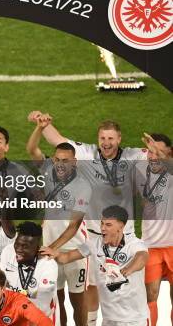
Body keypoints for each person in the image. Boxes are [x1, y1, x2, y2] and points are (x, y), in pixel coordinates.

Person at [31, 113, 147, 325]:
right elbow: (58, 140)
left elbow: (163, 159)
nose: (106, 143)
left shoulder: (132, 156)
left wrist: (158, 150)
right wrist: (44, 124)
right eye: (103, 138)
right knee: (93, 287)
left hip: (125, 236)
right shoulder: (86, 153)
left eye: (111, 138)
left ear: (119, 139)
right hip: (96, 237)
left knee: (127, 287)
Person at [27, 118, 92, 326]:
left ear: (74, 162)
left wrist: (52, 249)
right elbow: (32, 149)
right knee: (57, 299)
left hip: (74, 252)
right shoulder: (48, 170)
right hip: (50, 249)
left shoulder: (83, 187)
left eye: (66, 161)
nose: (60, 164)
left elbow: (73, 227)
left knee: (78, 301)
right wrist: (39, 127)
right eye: (57, 160)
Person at [41, 205, 150, 326]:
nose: (102, 228)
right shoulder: (94, 244)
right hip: (108, 320)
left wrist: (126, 270)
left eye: (108, 225)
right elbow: (66, 257)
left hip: (136, 319)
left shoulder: (134, 243)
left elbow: (142, 258)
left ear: (121, 226)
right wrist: (55, 253)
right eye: (102, 224)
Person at [134, 133, 172, 326]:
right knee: (150, 295)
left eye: (157, 151)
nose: (152, 156)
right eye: (149, 151)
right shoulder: (141, 171)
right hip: (150, 246)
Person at [0, 222, 58, 323]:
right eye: (17, 243)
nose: (18, 249)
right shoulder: (7, 252)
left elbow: (42, 306)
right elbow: (2, 286)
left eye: (25, 246)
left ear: (37, 247)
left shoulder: (48, 265)